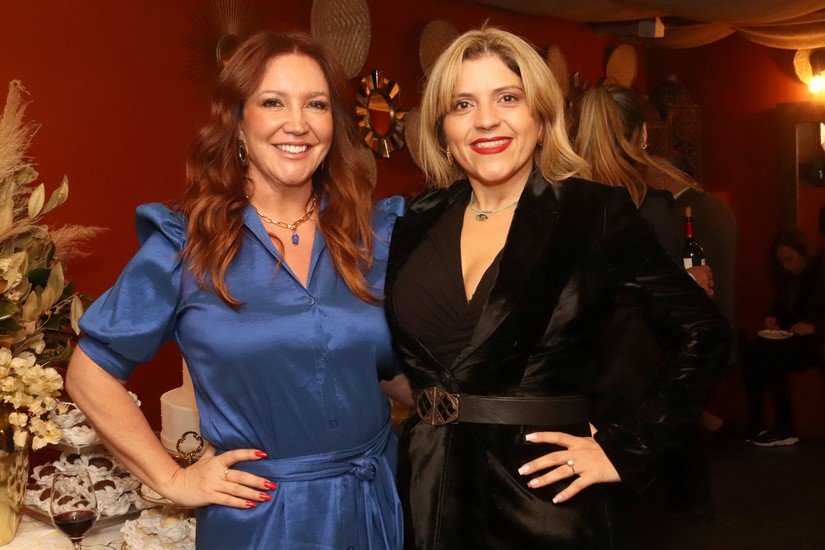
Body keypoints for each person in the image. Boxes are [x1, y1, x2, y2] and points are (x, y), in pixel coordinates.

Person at [384, 26, 730, 549]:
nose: (486, 119)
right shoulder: (414, 221)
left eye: (507, 98)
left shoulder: (592, 213)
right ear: (443, 130)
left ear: (542, 118)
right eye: (462, 104)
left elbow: (703, 333)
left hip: (545, 499)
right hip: (427, 492)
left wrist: (626, 446)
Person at [66, 31, 410, 549]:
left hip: (377, 501)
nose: (297, 123)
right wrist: (172, 478)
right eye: (273, 102)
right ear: (238, 122)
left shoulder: (373, 234)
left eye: (316, 104)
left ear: (334, 125)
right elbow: (90, 373)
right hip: (263, 519)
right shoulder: (187, 244)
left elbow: (392, 371)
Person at [744, 229, 824, 447]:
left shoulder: (820, 271)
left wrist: (814, 327)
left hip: (817, 339)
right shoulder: (789, 278)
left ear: (803, 252)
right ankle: (756, 423)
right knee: (752, 351)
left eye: (789, 259)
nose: (786, 265)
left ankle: (786, 427)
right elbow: (781, 308)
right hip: (794, 336)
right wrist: (772, 318)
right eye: (781, 261)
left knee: (771, 355)